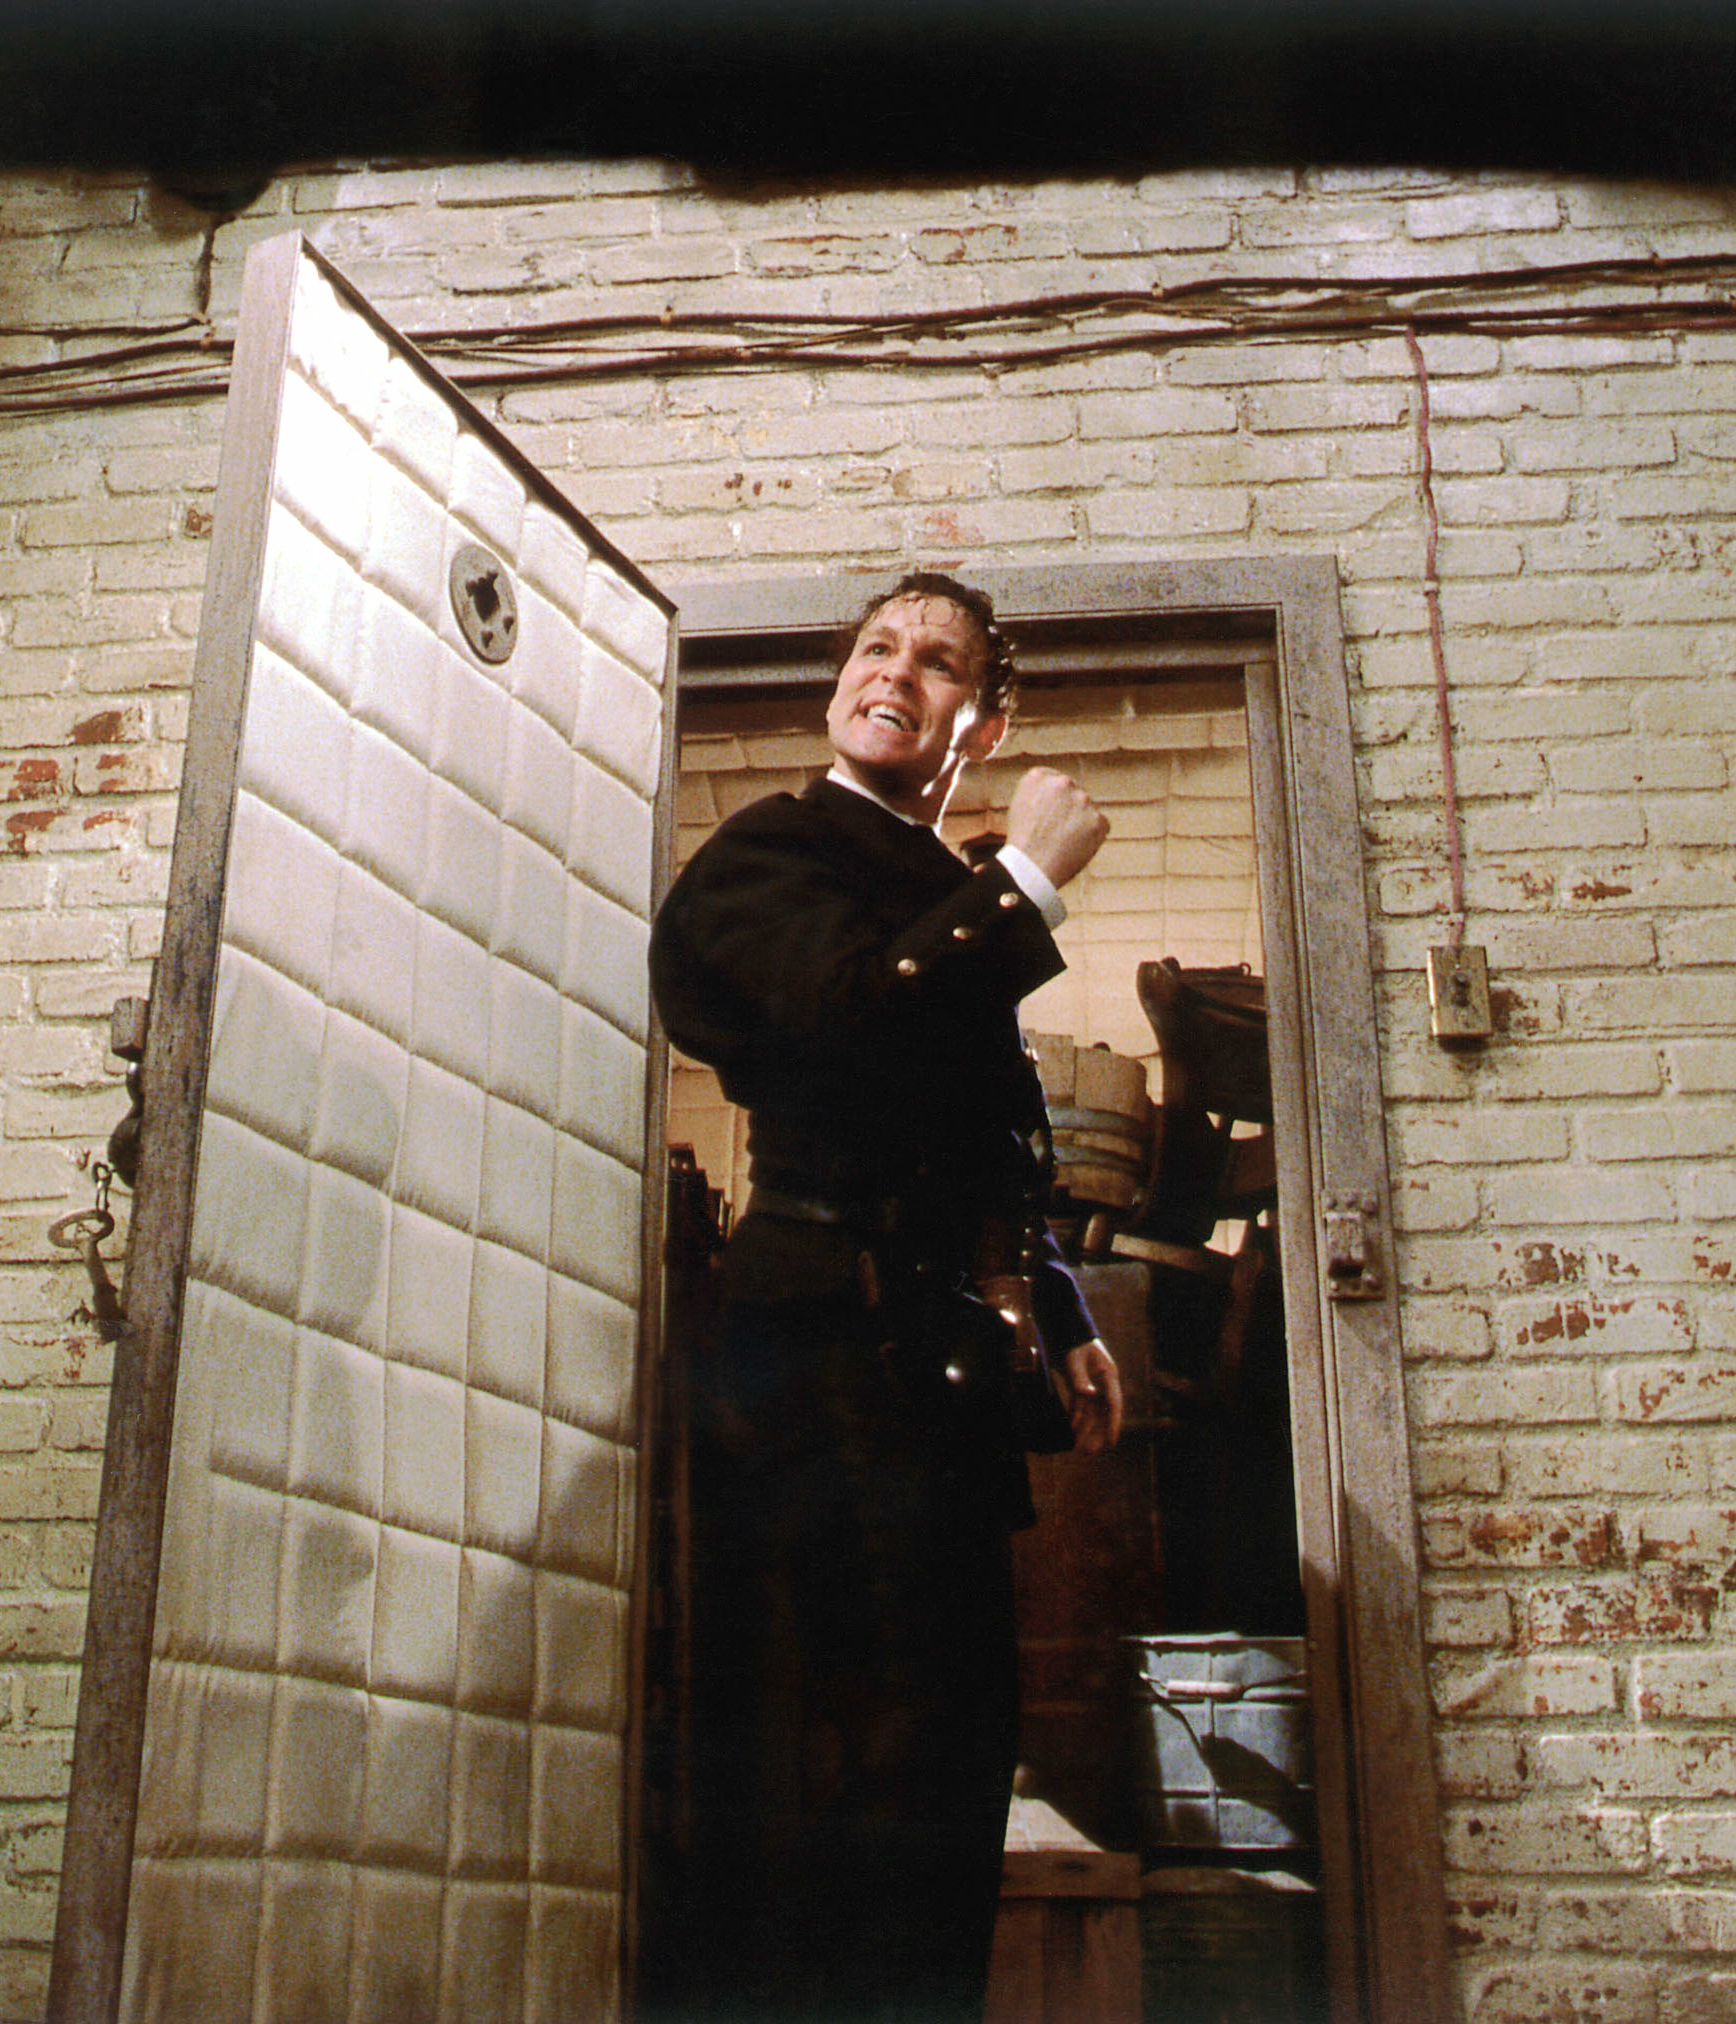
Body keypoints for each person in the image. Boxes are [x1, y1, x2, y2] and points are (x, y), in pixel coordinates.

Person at [647, 572, 1122, 2022]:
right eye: (877, 649)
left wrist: (1057, 1295)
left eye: (936, 663)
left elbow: (968, 1123)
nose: (895, 676)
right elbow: (858, 1023)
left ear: (982, 715)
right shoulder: (765, 857)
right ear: (838, 684)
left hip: (931, 1376)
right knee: (814, 1781)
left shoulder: (934, 885)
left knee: (947, 1771)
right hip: (810, 1372)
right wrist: (1029, 878)